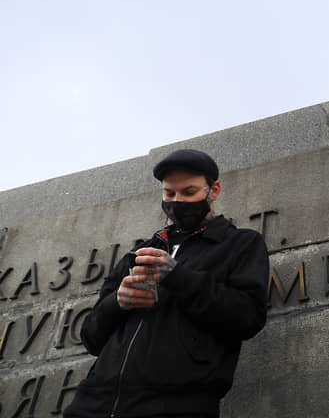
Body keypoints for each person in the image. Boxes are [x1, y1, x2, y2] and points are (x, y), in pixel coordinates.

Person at [65, 149, 270, 418]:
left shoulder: (241, 244)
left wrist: (177, 276)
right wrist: (117, 302)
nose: (177, 201)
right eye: (169, 194)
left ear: (214, 191)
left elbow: (247, 317)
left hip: (178, 404)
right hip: (94, 405)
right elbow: (91, 339)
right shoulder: (138, 253)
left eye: (189, 192)